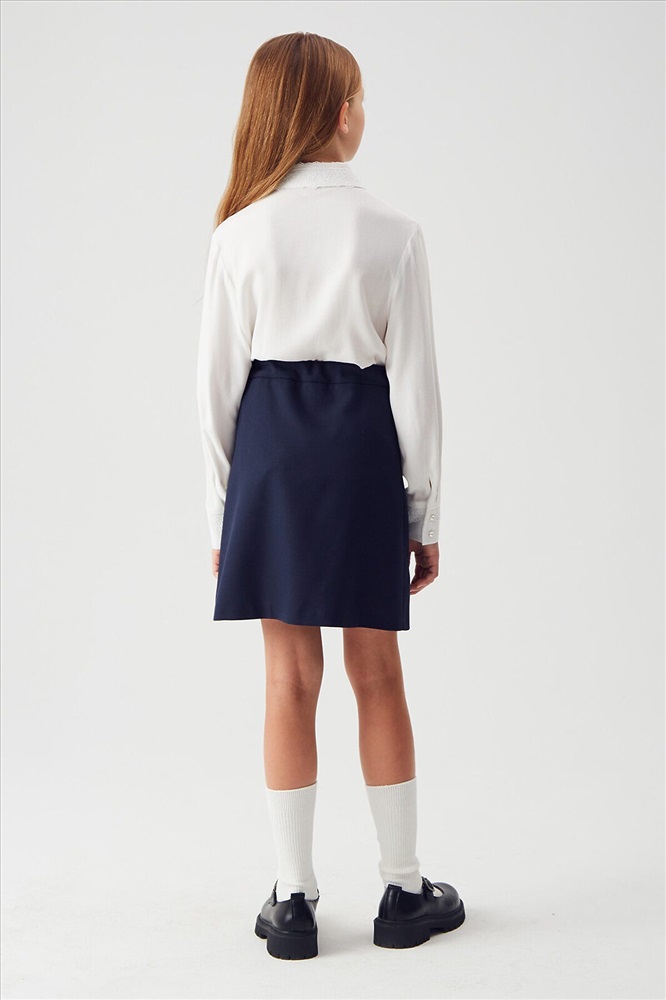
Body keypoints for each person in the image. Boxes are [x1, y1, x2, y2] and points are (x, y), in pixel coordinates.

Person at [196, 31, 465, 960]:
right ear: (341, 113)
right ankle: (403, 891)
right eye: (361, 99)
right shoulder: (394, 232)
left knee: (287, 677)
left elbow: (214, 391)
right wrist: (424, 514)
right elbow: (417, 392)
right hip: (358, 452)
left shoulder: (239, 233)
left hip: (270, 456)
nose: (364, 115)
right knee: (377, 670)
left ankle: (293, 899)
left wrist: (222, 516)